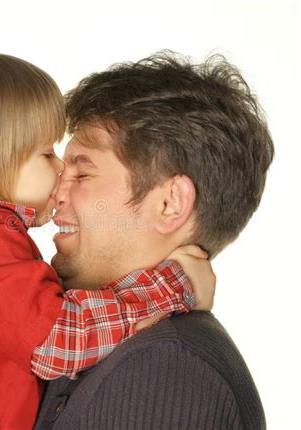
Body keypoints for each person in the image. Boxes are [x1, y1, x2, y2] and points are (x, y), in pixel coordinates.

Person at [0, 49, 215, 429]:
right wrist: (172, 285)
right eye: (46, 153)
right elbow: (61, 340)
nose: (60, 171)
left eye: (79, 173)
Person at [35, 51, 273, 429]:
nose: (54, 194)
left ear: (169, 203)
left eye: (81, 175)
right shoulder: (89, 343)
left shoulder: (167, 369)